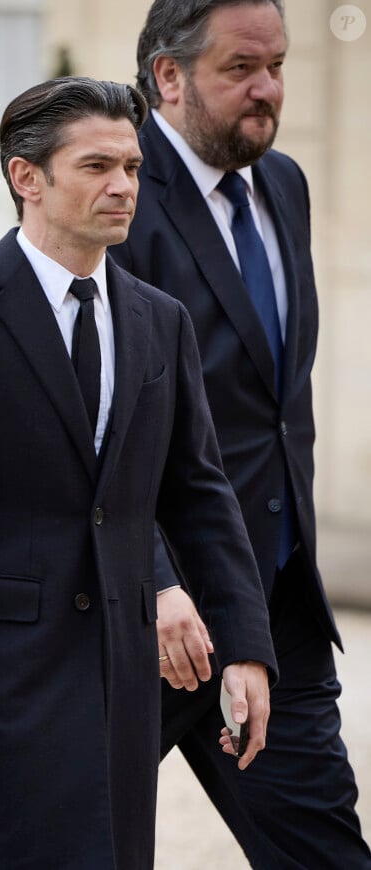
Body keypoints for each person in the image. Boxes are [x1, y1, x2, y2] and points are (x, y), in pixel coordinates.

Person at [0, 76, 277, 870]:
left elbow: (199, 496)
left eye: (133, 167)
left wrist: (246, 647)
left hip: (123, 686)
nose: (123, 187)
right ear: (27, 177)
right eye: (96, 166)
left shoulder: (161, 321)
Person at [111, 1, 371, 868]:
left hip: (276, 610)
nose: (269, 91)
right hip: (139, 620)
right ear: (169, 77)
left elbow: (270, 404)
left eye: (279, 66)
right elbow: (87, 421)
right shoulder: (115, 196)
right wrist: (154, 580)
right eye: (241, 70)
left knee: (327, 852)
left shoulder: (284, 183)